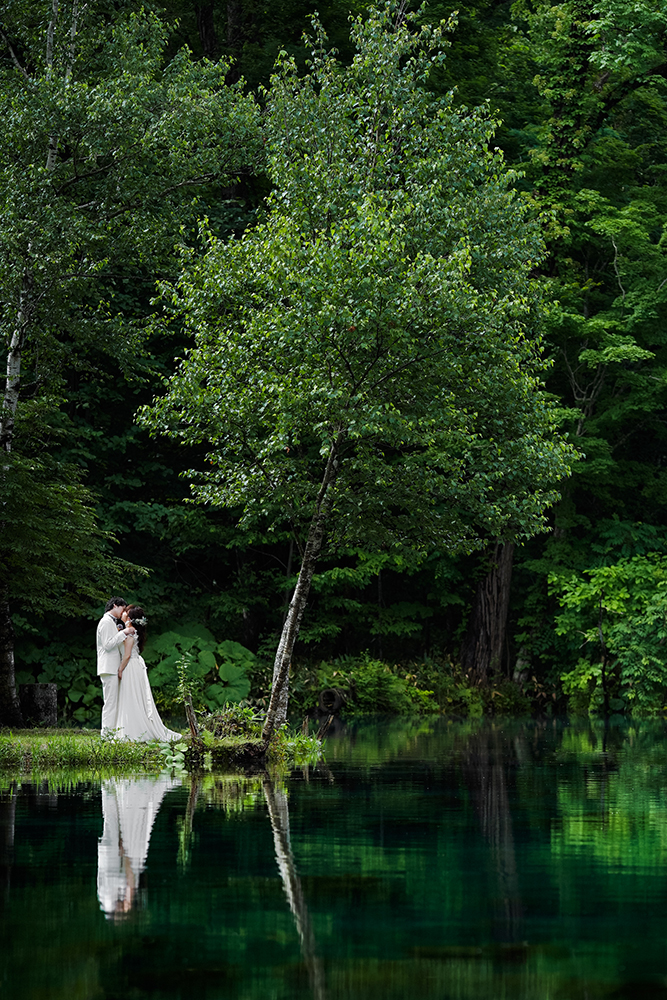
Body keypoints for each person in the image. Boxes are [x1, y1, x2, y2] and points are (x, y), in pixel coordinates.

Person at [115, 605, 181, 742]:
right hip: (134, 665)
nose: (123, 612)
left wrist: (120, 669)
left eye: (126, 611)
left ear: (129, 617)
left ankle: (133, 730)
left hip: (130, 665)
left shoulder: (130, 633)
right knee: (134, 696)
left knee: (131, 696)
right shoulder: (130, 631)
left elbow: (127, 655)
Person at [96, 597, 136, 736]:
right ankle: (106, 735)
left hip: (111, 667)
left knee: (113, 702)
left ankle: (112, 733)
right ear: (115, 605)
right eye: (122, 609)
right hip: (108, 667)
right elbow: (107, 645)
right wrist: (123, 633)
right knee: (110, 703)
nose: (123, 612)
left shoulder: (110, 622)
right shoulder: (106, 622)